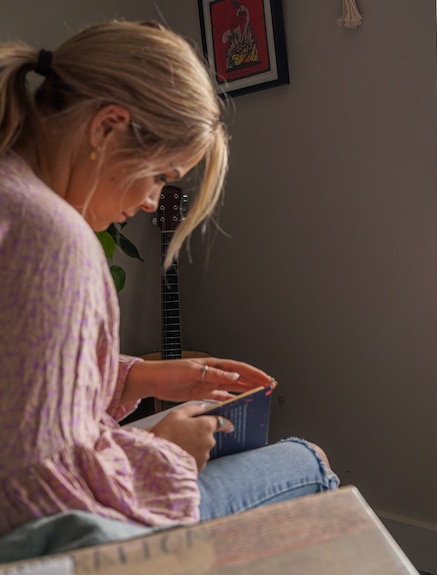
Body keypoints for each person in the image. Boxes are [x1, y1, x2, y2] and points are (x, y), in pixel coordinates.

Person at [0, 21, 338, 540]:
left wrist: (140, 378)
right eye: (161, 176)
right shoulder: (56, 239)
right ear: (106, 127)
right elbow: (39, 488)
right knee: (307, 460)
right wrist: (168, 453)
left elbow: (20, 381)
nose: (153, 202)